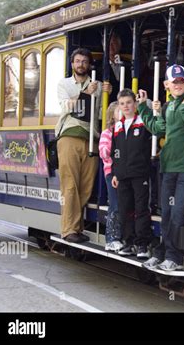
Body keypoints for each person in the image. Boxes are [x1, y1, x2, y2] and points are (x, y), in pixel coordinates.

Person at [141, 64, 184, 271]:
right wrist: (143, 107)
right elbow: (158, 128)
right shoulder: (169, 106)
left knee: (178, 213)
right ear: (166, 85)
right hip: (168, 166)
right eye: (174, 82)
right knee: (167, 213)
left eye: (181, 81)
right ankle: (163, 252)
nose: (178, 85)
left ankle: (175, 257)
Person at [56, 48, 111, 243]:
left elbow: (99, 116)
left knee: (86, 187)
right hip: (70, 136)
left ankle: (76, 228)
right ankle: (68, 230)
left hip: (92, 139)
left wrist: (106, 96)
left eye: (84, 61)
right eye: (77, 61)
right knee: (69, 185)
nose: (81, 65)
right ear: (72, 64)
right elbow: (68, 108)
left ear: (89, 65)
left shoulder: (95, 83)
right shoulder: (64, 84)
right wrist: (85, 93)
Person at [111, 89, 154, 259]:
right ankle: (128, 243)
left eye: (129, 102)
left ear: (135, 104)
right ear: (119, 106)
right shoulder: (118, 126)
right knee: (124, 210)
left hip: (140, 174)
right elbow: (116, 152)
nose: (126, 106)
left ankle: (142, 244)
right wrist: (115, 173)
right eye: (122, 103)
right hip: (122, 175)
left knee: (141, 208)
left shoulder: (143, 122)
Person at [99, 102, 123, 251]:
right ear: (112, 115)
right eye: (118, 110)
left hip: (125, 173)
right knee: (115, 204)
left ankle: (122, 236)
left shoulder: (126, 131)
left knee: (124, 205)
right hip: (111, 172)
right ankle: (111, 238)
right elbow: (102, 152)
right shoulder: (107, 133)